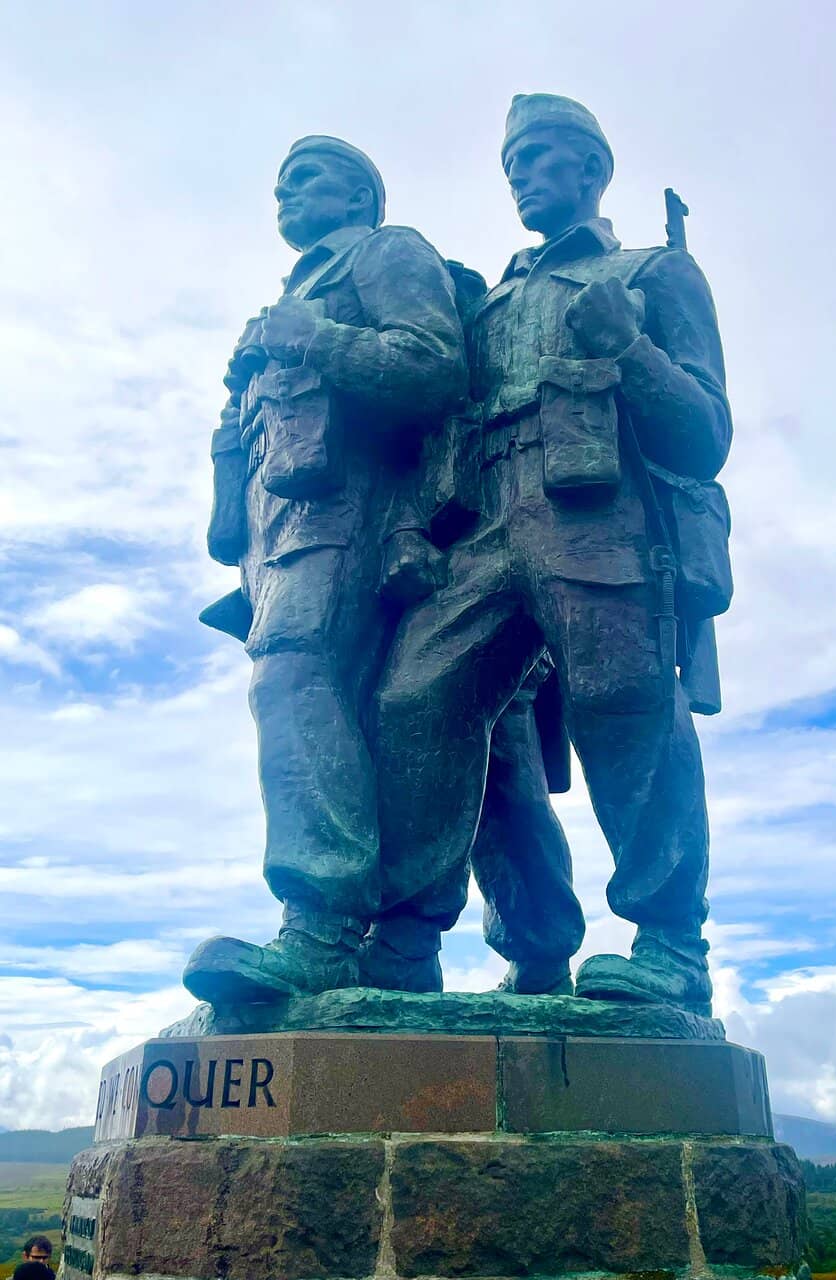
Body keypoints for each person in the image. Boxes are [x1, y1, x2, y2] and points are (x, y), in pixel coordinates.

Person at [374, 93, 732, 1015]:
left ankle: (669, 946)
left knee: (627, 707)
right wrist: (415, 525)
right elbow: (453, 427)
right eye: (511, 166)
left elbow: (704, 434)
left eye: (537, 159)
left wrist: (633, 348)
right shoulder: (491, 307)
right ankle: (408, 937)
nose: (522, 177)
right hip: (486, 526)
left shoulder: (654, 271)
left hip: (597, 517)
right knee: (418, 695)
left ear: (589, 168)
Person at [183, 135, 466, 1004]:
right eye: (276, 186)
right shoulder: (287, 299)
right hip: (281, 535)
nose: (283, 196)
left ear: (359, 197)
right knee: (348, 715)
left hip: (353, 520)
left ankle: (321, 923)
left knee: (293, 678)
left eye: (304, 180)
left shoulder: (387, 252)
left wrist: (320, 339)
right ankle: (392, 945)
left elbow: (434, 365)